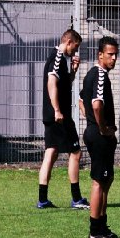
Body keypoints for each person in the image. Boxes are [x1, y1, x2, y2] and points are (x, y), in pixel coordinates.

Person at [37, 29, 89, 210]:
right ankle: (76, 199)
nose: (75, 51)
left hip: (52, 115)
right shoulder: (57, 58)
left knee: (51, 152)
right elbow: (51, 82)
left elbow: (63, 85)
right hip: (59, 117)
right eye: (75, 47)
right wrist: (57, 110)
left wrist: (73, 72)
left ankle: (42, 199)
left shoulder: (60, 60)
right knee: (75, 153)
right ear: (68, 42)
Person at [80, 36, 119, 238]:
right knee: (98, 182)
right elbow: (96, 105)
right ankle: (95, 231)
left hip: (96, 133)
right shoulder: (99, 75)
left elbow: (80, 99)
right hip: (99, 135)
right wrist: (102, 128)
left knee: (106, 179)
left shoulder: (92, 75)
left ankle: (102, 226)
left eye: (115, 55)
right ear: (100, 55)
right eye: (110, 54)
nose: (113, 58)